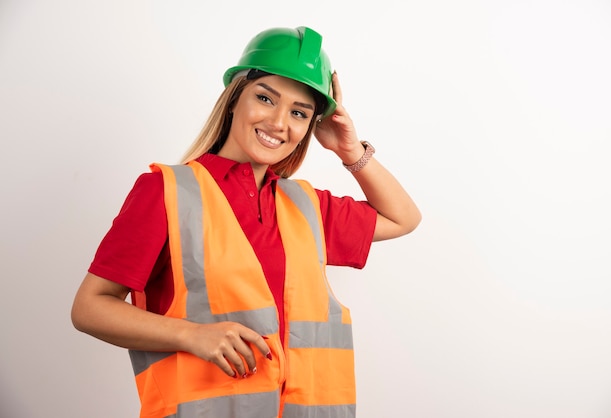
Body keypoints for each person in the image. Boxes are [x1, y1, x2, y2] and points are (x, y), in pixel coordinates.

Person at [71, 26, 421, 418]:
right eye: (265, 98)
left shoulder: (306, 205)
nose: (278, 122)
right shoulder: (165, 191)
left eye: (299, 113)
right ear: (235, 98)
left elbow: (403, 217)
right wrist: (191, 335)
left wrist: (350, 149)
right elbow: (89, 307)